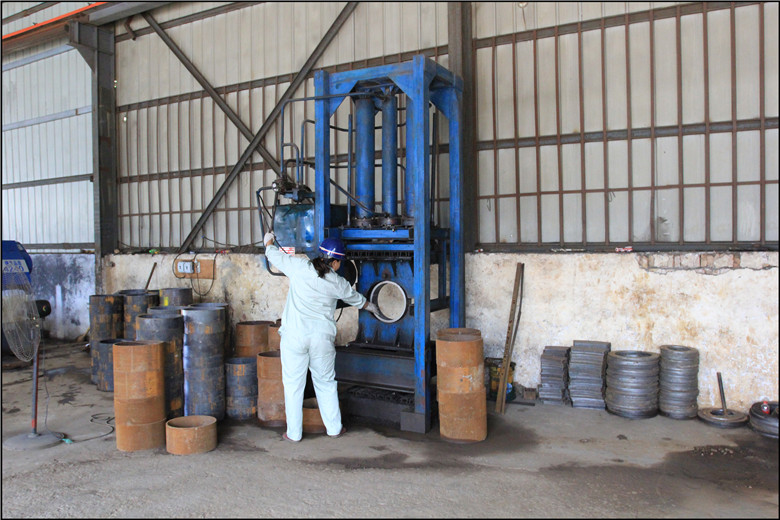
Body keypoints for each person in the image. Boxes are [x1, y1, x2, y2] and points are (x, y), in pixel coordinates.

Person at [263, 231, 378, 442]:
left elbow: (273, 255)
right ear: (335, 262)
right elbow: (358, 300)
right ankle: (334, 429)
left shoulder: (299, 266)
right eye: (340, 262)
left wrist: (268, 240)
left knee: (293, 385)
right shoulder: (338, 283)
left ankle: (294, 434)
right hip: (320, 339)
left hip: (294, 336)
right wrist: (373, 307)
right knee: (325, 383)